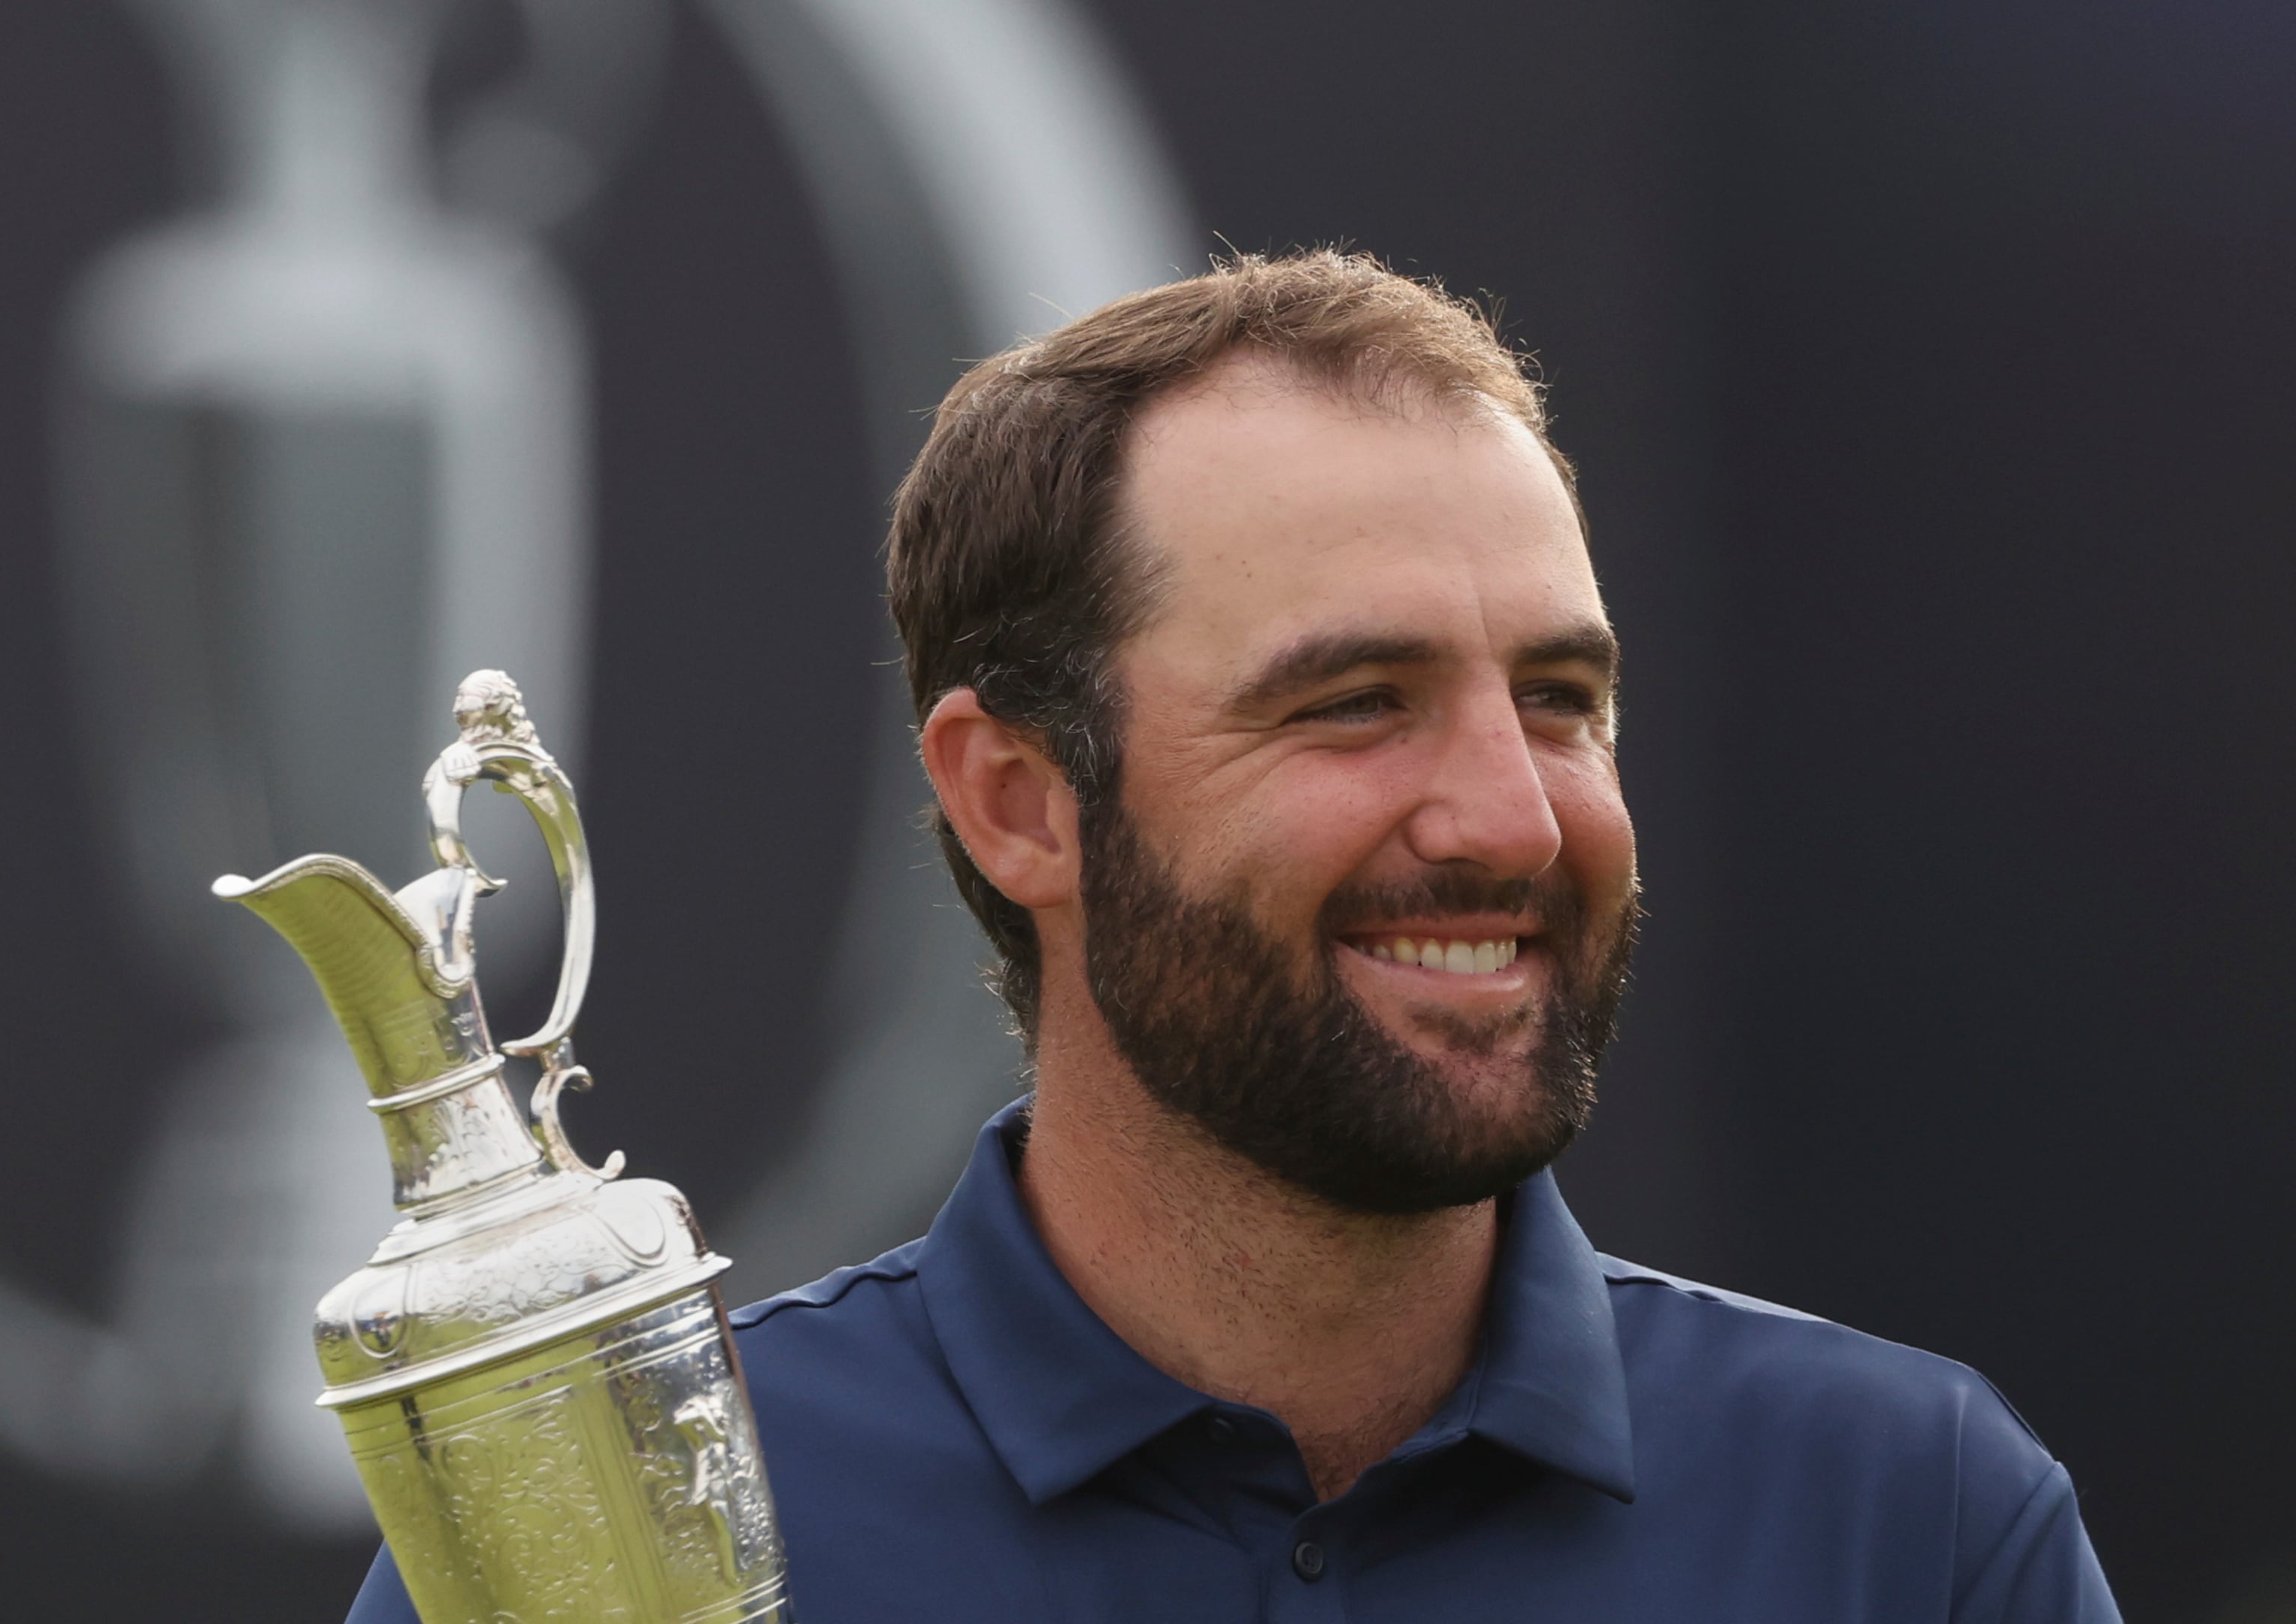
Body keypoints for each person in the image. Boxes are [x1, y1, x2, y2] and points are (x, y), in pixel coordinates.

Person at [346, 251, 2119, 1621]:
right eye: (1357, 702)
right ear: (1019, 801)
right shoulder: (632, 1537)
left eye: (1564, 701)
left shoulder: (1912, 1515)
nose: (1515, 814)